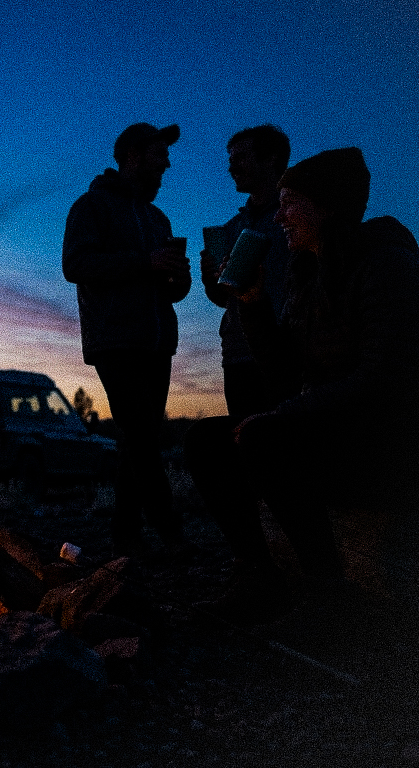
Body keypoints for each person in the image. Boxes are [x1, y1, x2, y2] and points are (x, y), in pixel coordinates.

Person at [187, 147, 419, 621]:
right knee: (204, 440)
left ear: (327, 205)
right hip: (337, 432)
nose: (279, 214)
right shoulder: (307, 273)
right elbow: (286, 374)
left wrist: (285, 415)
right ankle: (259, 575)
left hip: (387, 446)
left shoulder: (388, 264)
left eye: (290, 202)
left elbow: (383, 381)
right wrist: (251, 303)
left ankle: (329, 592)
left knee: (263, 435)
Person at [62, 123, 192, 556]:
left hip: (157, 341)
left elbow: (168, 288)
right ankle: (169, 530)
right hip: (115, 338)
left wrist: (179, 277)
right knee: (141, 433)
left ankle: (125, 530)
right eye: (159, 154)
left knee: (138, 437)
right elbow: (76, 264)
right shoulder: (91, 206)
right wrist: (145, 261)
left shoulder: (158, 219)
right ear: (133, 156)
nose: (167, 164)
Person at [199, 125, 292, 418]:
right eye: (230, 159)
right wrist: (211, 280)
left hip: (287, 351)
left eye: (240, 157)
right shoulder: (231, 228)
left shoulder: (296, 219)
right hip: (238, 353)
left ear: (271, 159)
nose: (231, 167)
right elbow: (224, 298)